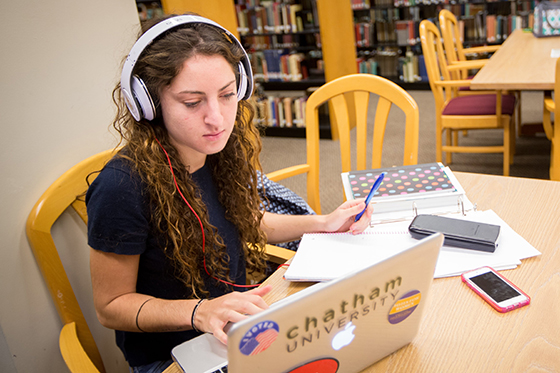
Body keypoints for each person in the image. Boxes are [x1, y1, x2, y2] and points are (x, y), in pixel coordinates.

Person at [86, 14, 373, 373]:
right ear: (149, 103)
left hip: (239, 329)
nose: (218, 119)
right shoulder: (121, 187)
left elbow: (242, 220)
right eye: (192, 103)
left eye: (226, 95)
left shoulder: (216, 153)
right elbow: (111, 306)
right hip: (174, 356)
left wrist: (323, 222)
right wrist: (200, 311)